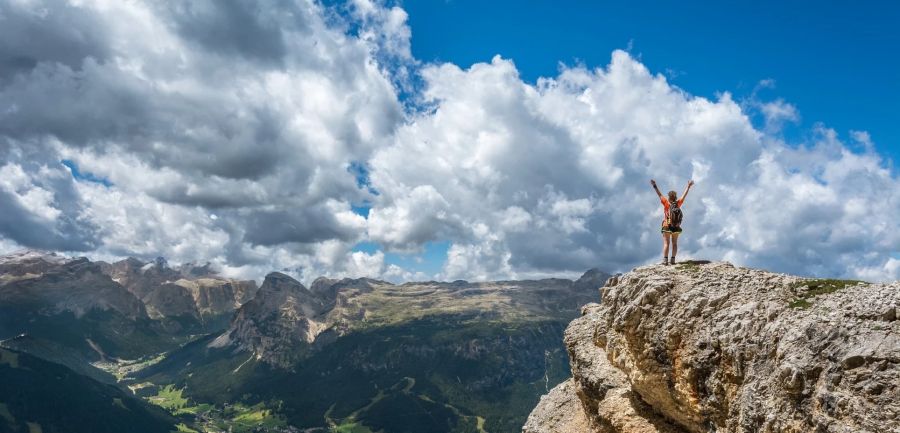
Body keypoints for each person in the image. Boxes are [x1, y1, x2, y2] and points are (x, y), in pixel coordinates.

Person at [650, 179, 694, 265]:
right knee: (675, 243)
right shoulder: (678, 203)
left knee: (666, 243)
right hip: (676, 227)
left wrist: (655, 186)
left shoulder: (666, 203)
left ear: (669, 197)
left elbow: (659, 194)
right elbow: (684, 195)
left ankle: (665, 260)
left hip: (667, 225)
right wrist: (688, 187)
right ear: (675, 197)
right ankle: (673, 259)